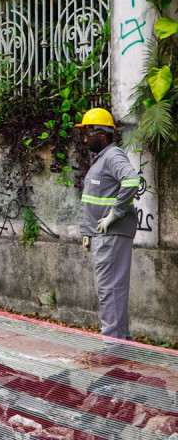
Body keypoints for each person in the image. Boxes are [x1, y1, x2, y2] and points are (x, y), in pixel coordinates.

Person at [76, 108, 139, 358]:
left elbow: (131, 181)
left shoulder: (112, 155)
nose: (85, 138)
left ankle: (113, 348)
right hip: (103, 234)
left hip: (111, 235)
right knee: (113, 288)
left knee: (109, 289)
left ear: (103, 135)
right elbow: (96, 198)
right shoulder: (104, 157)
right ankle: (122, 343)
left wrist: (114, 215)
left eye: (88, 132)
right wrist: (87, 231)